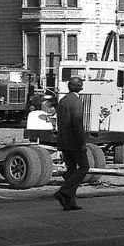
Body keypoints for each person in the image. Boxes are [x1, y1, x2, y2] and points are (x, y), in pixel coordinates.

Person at [54, 76, 87, 211]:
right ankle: (63, 191)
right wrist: (82, 143)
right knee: (84, 167)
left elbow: (60, 122)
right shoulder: (76, 101)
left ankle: (69, 202)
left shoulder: (63, 101)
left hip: (64, 140)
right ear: (80, 87)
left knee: (72, 169)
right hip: (74, 142)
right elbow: (77, 124)